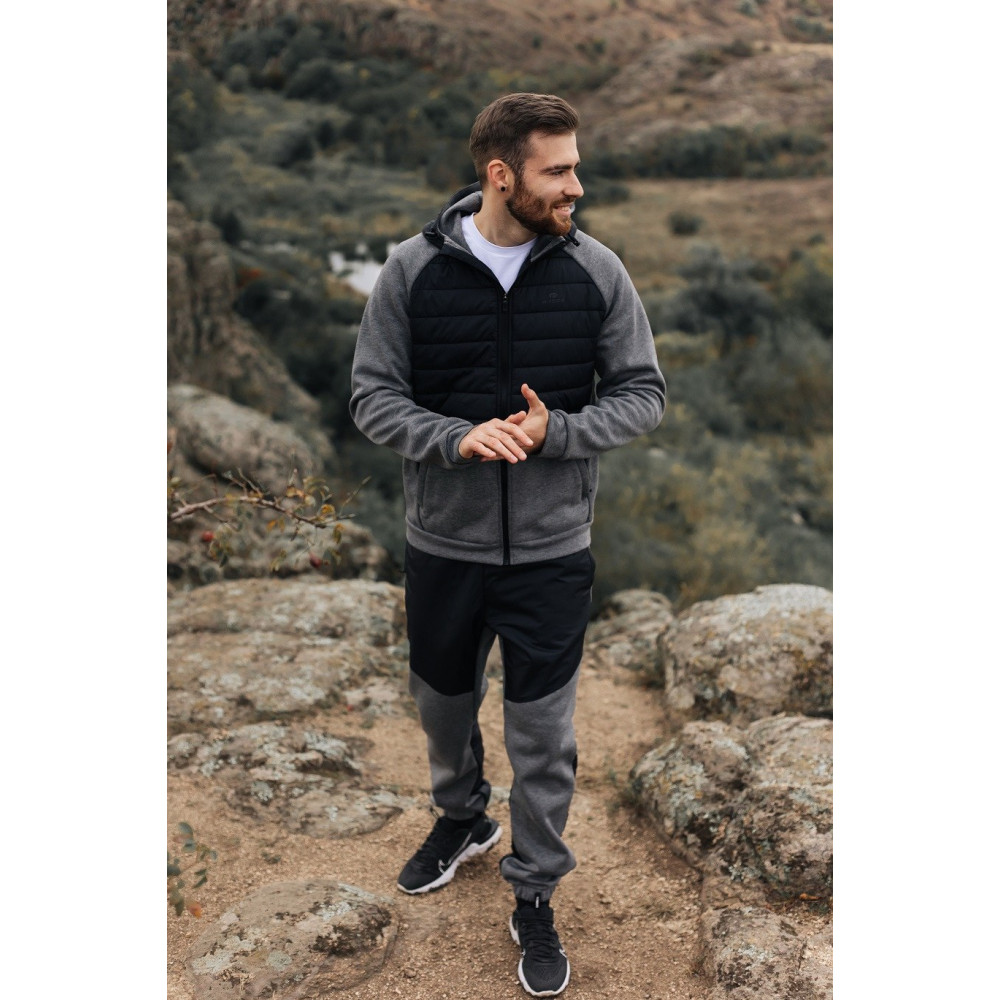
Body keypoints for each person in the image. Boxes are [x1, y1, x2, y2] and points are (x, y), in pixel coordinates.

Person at [350, 92, 665, 998]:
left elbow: (643, 395)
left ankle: (535, 891)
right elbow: (372, 397)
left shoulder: (598, 270)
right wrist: (454, 438)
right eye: (557, 170)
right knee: (442, 706)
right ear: (501, 175)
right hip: (443, 544)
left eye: (575, 167)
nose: (576, 185)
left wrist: (555, 431)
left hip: (552, 549)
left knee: (543, 736)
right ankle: (463, 819)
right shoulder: (411, 271)